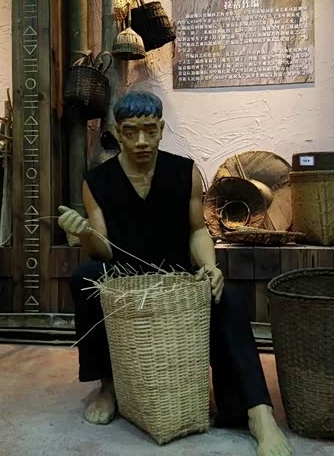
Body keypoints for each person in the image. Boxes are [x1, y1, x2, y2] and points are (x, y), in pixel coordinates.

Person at [58, 90, 292, 456]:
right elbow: (103, 250)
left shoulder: (185, 172)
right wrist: (85, 233)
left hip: (177, 275)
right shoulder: (97, 180)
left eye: (149, 130)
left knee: (229, 298)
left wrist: (210, 268)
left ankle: (258, 413)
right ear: (118, 133)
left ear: (162, 129)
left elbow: (198, 230)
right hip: (124, 277)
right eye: (131, 132)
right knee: (85, 277)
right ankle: (109, 385)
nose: (141, 141)